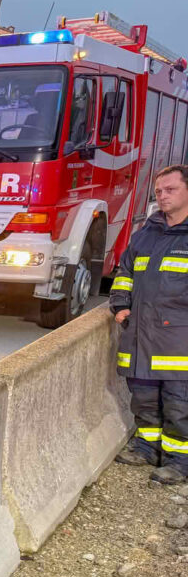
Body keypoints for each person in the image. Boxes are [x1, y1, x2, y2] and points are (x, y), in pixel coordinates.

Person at [111, 164, 188, 484]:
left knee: (178, 402)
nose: (163, 196)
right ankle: (146, 448)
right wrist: (120, 305)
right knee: (142, 395)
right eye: (159, 191)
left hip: (177, 338)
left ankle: (179, 462)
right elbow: (125, 271)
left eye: (171, 189)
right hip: (140, 334)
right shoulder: (147, 232)